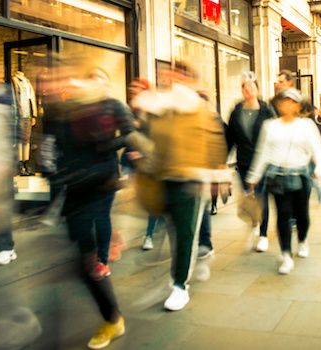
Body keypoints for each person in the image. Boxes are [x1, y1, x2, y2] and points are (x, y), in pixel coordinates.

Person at [44, 67, 134, 349]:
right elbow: (52, 149)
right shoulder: (60, 112)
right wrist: (52, 177)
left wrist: (110, 145)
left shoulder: (108, 108)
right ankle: (98, 263)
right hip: (74, 192)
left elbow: (129, 134)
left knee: (89, 260)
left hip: (100, 185)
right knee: (80, 256)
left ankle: (112, 317)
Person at [132, 62, 227, 311]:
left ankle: (180, 286)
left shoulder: (200, 109)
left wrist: (218, 178)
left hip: (191, 182)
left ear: (189, 80)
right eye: (169, 74)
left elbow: (216, 145)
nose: (171, 78)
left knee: (185, 235)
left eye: (179, 74)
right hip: (162, 179)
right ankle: (176, 272)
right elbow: (151, 141)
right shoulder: (162, 110)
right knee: (170, 231)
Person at [246, 88, 321, 275]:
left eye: (290, 101)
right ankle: (286, 254)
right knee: (282, 215)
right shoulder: (270, 126)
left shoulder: (306, 125)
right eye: (283, 101)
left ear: (298, 105)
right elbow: (263, 152)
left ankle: (303, 239)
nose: (286, 105)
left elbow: (317, 149)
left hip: (300, 175)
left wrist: (320, 169)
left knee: (301, 214)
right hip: (277, 177)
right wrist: (254, 175)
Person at [225, 77, 276, 252]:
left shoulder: (267, 111)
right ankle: (254, 222)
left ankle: (262, 235)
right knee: (248, 197)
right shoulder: (236, 111)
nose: (249, 91)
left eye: (252, 87)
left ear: (257, 90)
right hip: (244, 161)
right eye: (245, 88)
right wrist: (223, 160)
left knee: (262, 197)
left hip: (263, 162)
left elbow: (274, 137)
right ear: (242, 91)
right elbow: (230, 138)